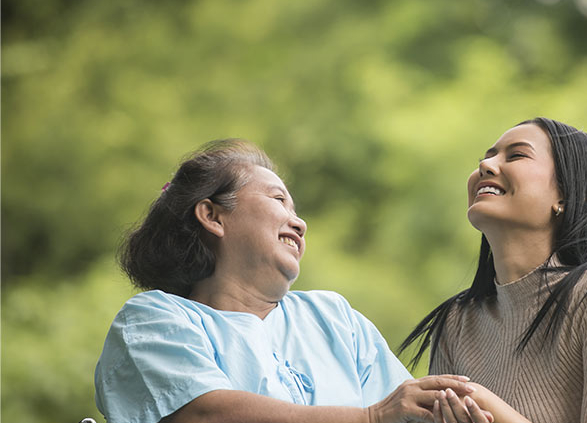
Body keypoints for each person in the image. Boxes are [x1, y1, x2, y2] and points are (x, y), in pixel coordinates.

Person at [94, 139, 479, 423]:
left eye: (296, 209)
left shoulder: (334, 317)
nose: (299, 222)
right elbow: (204, 414)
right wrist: (371, 417)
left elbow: (405, 413)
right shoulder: (153, 320)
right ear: (212, 216)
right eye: (278, 200)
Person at [400, 118, 587, 423]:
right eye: (486, 157)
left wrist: (486, 404)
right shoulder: (457, 320)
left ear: (566, 195)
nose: (485, 165)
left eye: (516, 155)